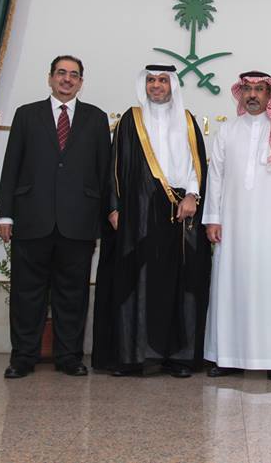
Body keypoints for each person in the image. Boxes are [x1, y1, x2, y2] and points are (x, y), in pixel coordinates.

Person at [0, 55, 111, 378]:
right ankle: (22, 357)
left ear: (81, 82)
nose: (67, 79)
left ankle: (69, 357)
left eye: (74, 75)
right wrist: (5, 214)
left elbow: (104, 173)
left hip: (78, 222)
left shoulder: (96, 118)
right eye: (61, 73)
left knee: (73, 294)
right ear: (50, 78)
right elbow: (11, 166)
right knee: (26, 293)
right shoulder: (26, 115)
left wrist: (104, 217)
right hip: (32, 218)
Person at [92, 64, 209, 377]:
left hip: (179, 214)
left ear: (173, 85)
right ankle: (133, 357)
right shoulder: (131, 119)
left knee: (179, 284)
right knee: (136, 283)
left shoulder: (187, 120)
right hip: (138, 214)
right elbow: (115, 166)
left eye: (163, 81)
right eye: (151, 80)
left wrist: (192, 197)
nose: (156, 86)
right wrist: (114, 208)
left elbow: (196, 165)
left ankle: (178, 358)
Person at [203, 71, 271, 380]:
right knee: (229, 287)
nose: (252, 94)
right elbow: (215, 178)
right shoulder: (227, 131)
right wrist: (213, 218)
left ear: (270, 95)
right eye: (247, 89)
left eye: (259, 89)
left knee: (269, 288)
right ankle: (227, 357)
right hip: (232, 227)